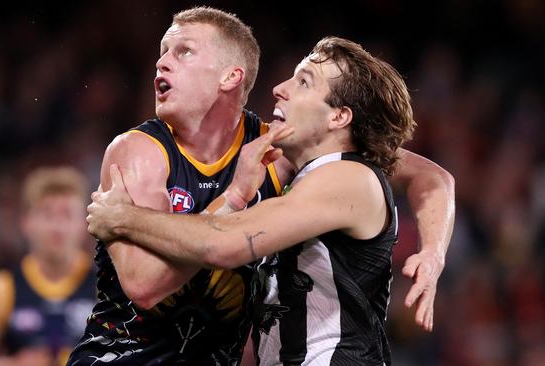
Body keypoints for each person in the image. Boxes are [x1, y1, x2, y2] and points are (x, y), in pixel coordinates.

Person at [70, 6, 454, 366]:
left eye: (184, 51)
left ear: (230, 76)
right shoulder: (143, 150)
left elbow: (432, 176)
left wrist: (122, 217)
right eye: (163, 50)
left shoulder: (330, 168)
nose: (162, 61)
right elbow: (143, 283)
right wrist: (433, 253)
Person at [0, 167, 96, 366]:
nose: (57, 226)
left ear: (84, 223)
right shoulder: (0, 290)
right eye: (47, 214)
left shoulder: (106, 287)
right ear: (27, 222)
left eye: (67, 215)